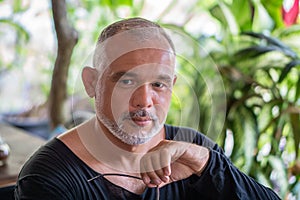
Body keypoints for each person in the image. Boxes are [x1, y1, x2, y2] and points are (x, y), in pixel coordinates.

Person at [14, 17, 280, 200]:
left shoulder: (195, 153)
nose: (144, 100)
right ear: (92, 83)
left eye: (158, 84)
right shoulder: (48, 176)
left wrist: (205, 163)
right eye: (127, 81)